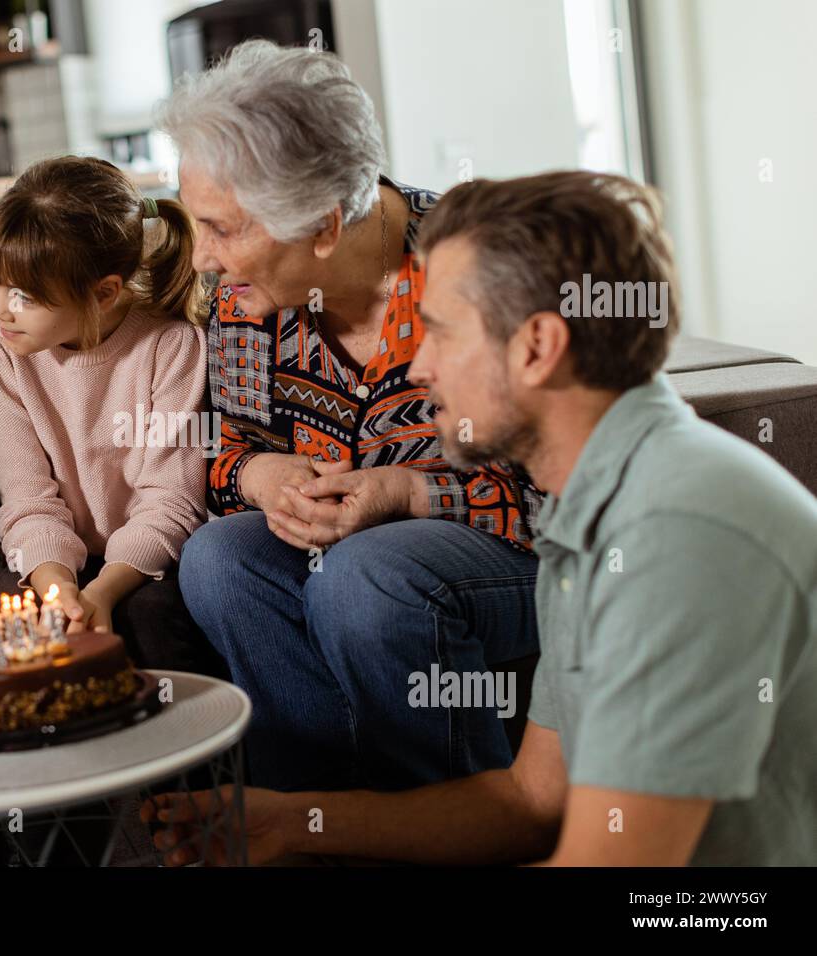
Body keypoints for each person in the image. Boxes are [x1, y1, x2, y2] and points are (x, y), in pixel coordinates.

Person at [145, 170, 817, 866]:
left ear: (536, 346)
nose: (416, 368)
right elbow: (530, 803)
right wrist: (294, 822)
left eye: (438, 331)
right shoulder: (594, 508)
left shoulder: (676, 537)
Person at [158, 39, 542, 792]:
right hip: (364, 567)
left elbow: (571, 499)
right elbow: (226, 451)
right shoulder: (245, 300)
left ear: (326, 226)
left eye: (224, 229)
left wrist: (408, 495)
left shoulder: (488, 268)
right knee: (220, 560)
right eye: (194, 222)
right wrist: (261, 474)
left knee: (364, 574)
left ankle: (453, 828)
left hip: (529, 559)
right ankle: (314, 821)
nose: (201, 258)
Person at [0, 156, 225, 676]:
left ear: (104, 292)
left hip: (149, 561)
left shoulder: (172, 346)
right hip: (52, 556)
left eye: (25, 296)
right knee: (10, 629)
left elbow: (171, 501)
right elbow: (27, 498)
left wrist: (103, 592)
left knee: (149, 622)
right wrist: (61, 590)